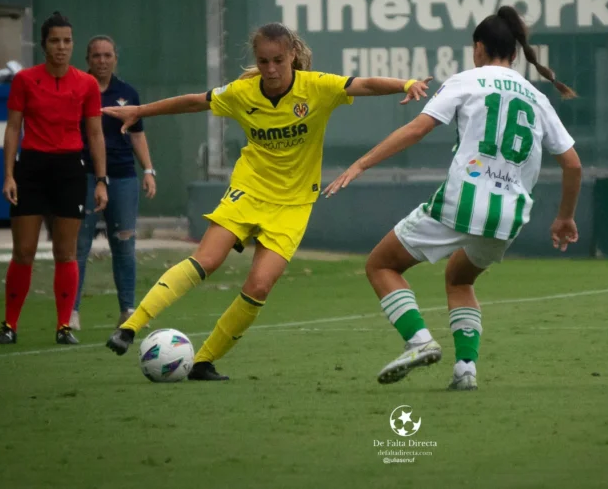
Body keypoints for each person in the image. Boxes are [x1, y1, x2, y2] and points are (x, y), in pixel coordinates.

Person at [101, 22, 431, 381]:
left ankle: (204, 361)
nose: (270, 70)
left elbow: (363, 84)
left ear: (292, 55)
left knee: (259, 286)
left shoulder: (316, 87)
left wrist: (406, 84)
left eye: (277, 60)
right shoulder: (242, 93)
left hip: (293, 205)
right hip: (250, 189)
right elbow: (196, 101)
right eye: (263, 61)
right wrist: (140, 111)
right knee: (207, 260)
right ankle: (130, 327)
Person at [324, 6, 582, 391]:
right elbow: (573, 165)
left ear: (479, 48)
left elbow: (416, 130)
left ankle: (419, 342)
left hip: (464, 201)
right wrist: (564, 218)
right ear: (513, 53)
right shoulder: (536, 97)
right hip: (509, 216)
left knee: (381, 266)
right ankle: (465, 369)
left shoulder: (466, 81)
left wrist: (360, 164)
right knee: (459, 277)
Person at [0, 12, 109, 346]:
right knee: (24, 250)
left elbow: (96, 134)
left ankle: (64, 326)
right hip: (31, 168)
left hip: (70, 169)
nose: (61, 47)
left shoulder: (85, 84)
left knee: (65, 251)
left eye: (67, 41)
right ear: (44, 44)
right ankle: (9, 325)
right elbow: (13, 127)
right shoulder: (25, 80)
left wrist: (101, 180)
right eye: (55, 40)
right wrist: (9, 175)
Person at [69, 35, 157, 331]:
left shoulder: (127, 93)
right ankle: (71, 312)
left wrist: (148, 170)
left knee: (124, 243)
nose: (102, 61)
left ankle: (128, 309)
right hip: (84, 174)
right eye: (96, 56)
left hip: (122, 176)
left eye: (108, 55)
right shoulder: (78, 89)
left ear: (115, 58)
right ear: (87, 60)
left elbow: (137, 134)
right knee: (79, 244)